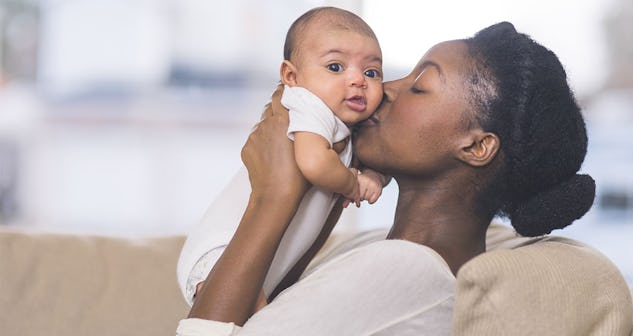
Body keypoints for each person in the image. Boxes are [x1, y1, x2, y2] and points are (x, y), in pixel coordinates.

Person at [176, 21, 596, 335]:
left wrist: (273, 197)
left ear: (475, 147)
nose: (385, 88)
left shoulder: (406, 269)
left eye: (420, 85)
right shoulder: (386, 250)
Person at [176, 6, 389, 309]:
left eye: (371, 72)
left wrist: (376, 177)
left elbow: (380, 161)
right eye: (335, 67)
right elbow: (315, 163)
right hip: (221, 252)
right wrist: (354, 185)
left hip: (263, 260)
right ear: (291, 76)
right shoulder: (307, 104)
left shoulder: (345, 125)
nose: (358, 80)